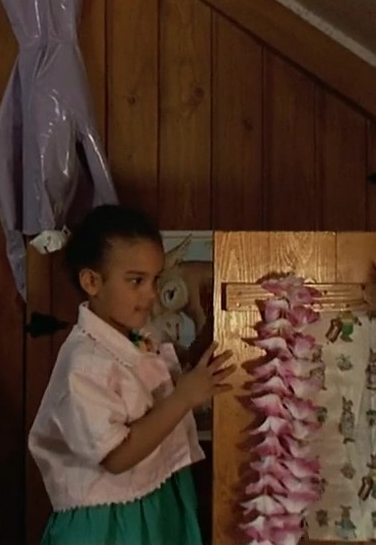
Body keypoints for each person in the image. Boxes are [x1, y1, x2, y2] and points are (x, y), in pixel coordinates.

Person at [27, 205, 235, 544]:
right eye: (136, 281)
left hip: (154, 499)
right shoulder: (85, 363)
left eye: (155, 280)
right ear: (91, 282)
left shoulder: (138, 338)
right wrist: (183, 397)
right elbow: (117, 457)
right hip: (109, 522)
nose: (151, 294)